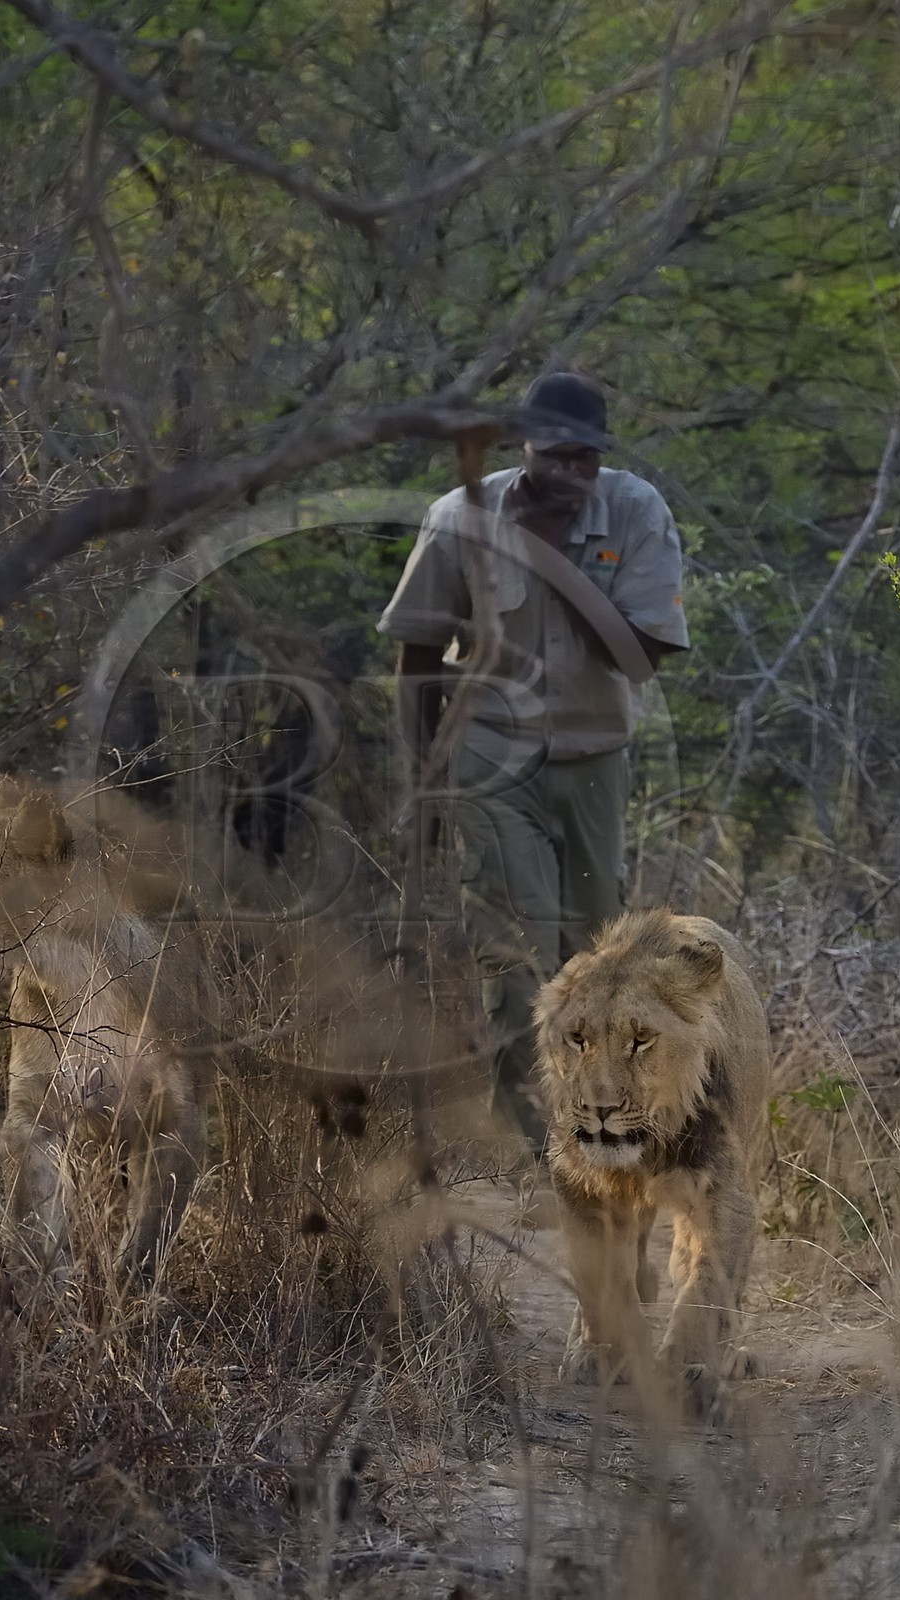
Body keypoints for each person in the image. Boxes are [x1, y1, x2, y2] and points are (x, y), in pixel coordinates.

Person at [378, 372, 690, 1153]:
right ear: (526, 449)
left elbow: (641, 656)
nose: (571, 474)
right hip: (490, 757)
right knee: (517, 956)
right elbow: (418, 656)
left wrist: (558, 566)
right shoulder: (459, 519)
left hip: (594, 755)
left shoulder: (636, 510)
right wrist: (423, 786)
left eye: (585, 459)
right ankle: (532, 1146)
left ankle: (598, 1127)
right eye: (556, 457)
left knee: (595, 960)